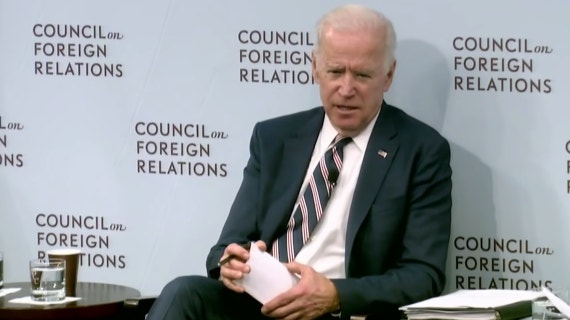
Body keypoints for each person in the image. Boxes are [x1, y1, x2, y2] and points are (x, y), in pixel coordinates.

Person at [146, 4, 452, 320]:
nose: (346, 89)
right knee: (183, 293)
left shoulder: (421, 150)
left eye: (362, 74)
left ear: (388, 76)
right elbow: (225, 248)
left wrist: (335, 295)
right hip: (257, 303)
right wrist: (229, 263)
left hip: (338, 311)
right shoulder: (274, 138)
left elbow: (423, 275)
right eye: (335, 71)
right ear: (315, 67)